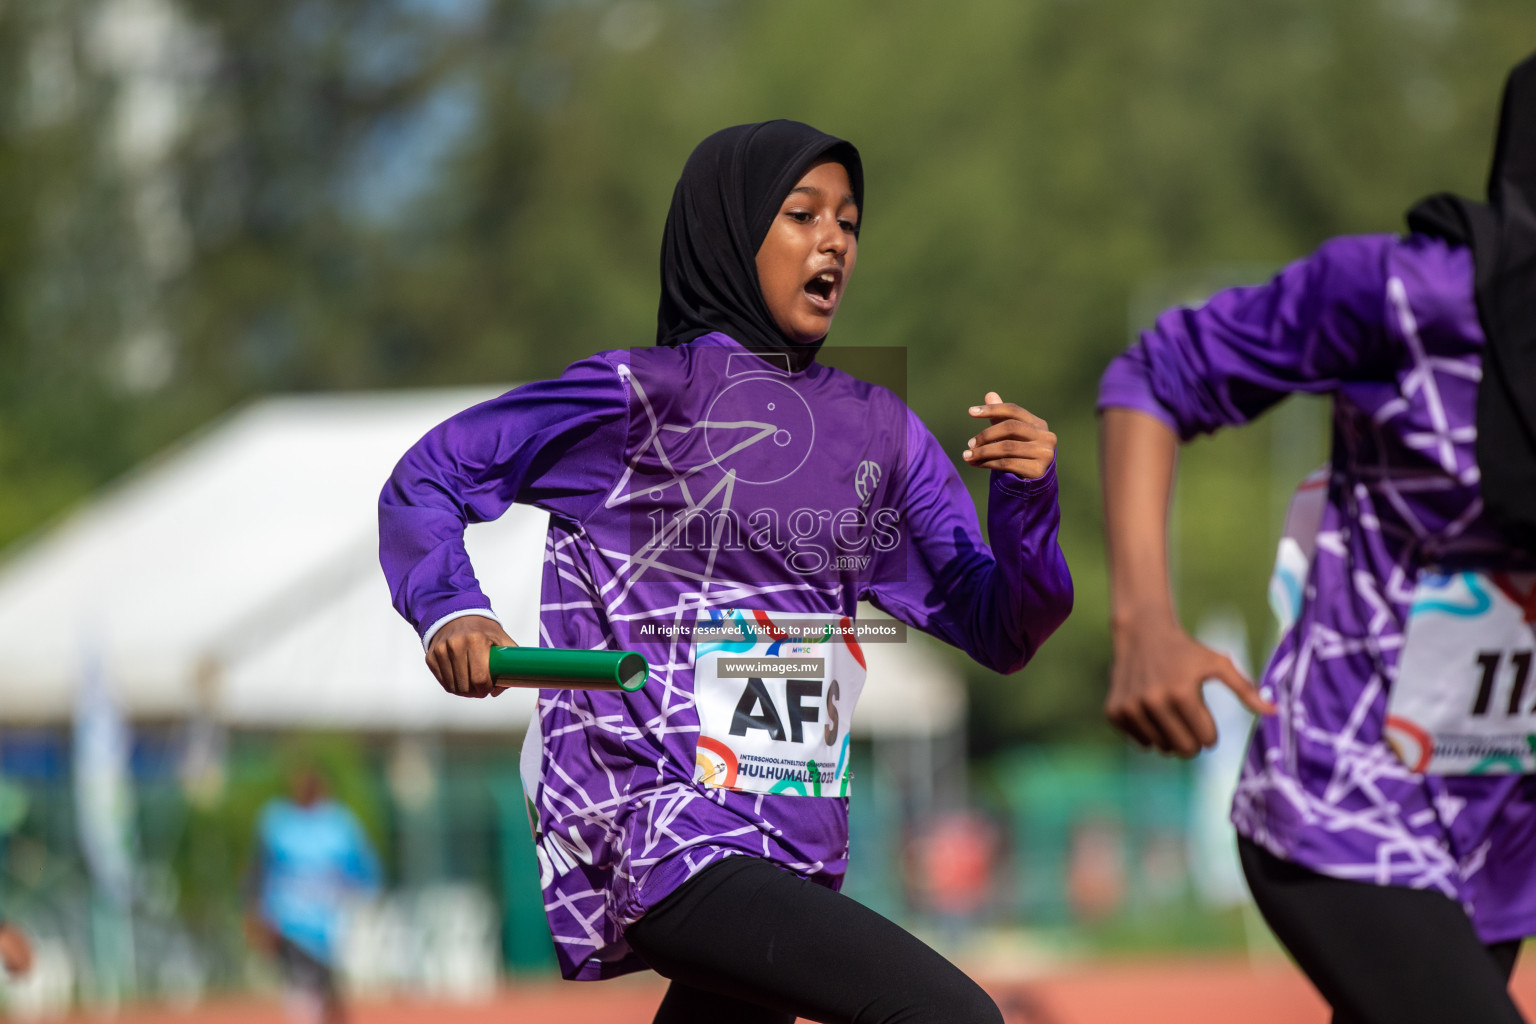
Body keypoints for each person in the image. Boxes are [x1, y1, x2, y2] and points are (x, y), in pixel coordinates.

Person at [379, 120, 1074, 1024]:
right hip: (664, 832)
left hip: (794, 850)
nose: (834, 242)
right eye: (801, 214)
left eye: (850, 224)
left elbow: (1003, 628)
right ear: (728, 232)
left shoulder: (880, 432)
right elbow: (429, 475)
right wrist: (450, 611)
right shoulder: (639, 398)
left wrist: (1026, 503)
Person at [1098, 53, 1536, 1024]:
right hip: (1346, 799)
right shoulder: (1408, 297)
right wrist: (1144, 621)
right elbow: (1156, 374)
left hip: (1503, 821)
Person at [245, 765, 380, 1024]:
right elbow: (257, 871)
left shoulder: (338, 825)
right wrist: (256, 913)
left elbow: (364, 872)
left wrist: (358, 897)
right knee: (303, 992)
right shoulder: (279, 823)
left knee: (328, 998)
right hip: (289, 926)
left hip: (327, 927)